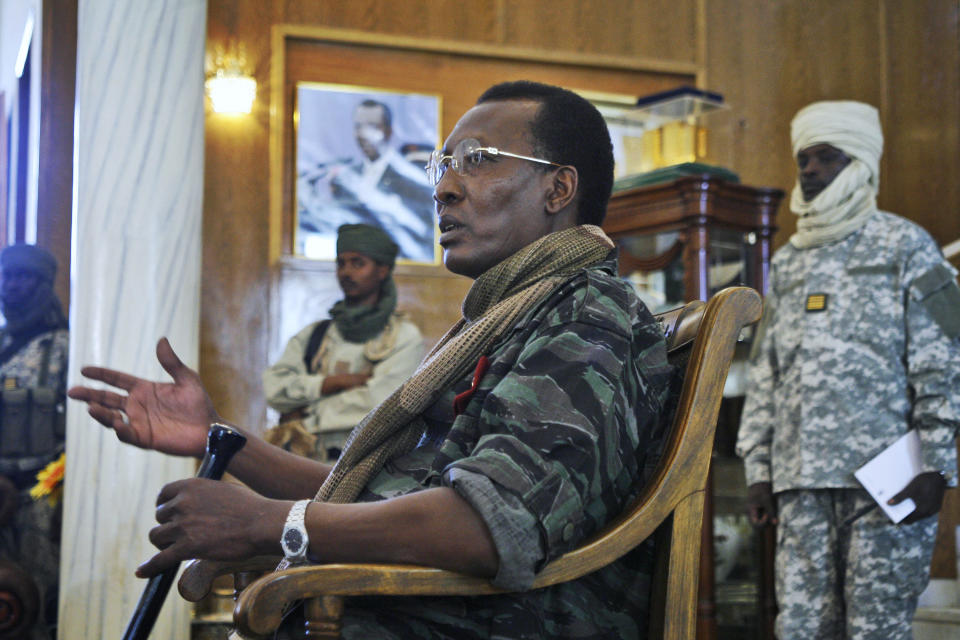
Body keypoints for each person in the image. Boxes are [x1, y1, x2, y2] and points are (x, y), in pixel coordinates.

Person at [68, 80, 673, 639]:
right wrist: (219, 437)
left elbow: (491, 524)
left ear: (558, 189)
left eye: (477, 160)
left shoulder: (589, 315)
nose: (443, 186)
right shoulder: (503, 321)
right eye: (443, 163)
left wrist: (272, 523)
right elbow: (378, 490)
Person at [735, 100, 960, 639]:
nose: (808, 170)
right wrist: (758, 471)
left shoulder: (908, 246)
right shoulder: (788, 261)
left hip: (888, 485)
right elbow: (767, 371)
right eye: (804, 159)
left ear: (859, 163)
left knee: (876, 630)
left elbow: (945, 361)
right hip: (801, 483)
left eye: (826, 158)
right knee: (801, 629)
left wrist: (941, 466)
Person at [262, 223, 424, 461]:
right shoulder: (315, 335)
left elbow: (380, 403)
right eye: (341, 263)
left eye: (358, 263)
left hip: (367, 470)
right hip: (303, 463)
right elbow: (274, 389)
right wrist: (330, 383)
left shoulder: (403, 337)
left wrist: (305, 414)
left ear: (382, 270)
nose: (346, 272)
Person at [0, 244, 69, 640]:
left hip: (42, 496)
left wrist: (50, 487)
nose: (13, 286)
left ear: (43, 284)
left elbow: (80, 432)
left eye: (24, 277)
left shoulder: (62, 347)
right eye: (8, 276)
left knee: (38, 601)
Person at [301, 99, 437, 262]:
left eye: (373, 126)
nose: (364, 135)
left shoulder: (411, 180)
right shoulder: (343, 180)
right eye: (359, 126)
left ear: (388, 131)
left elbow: (421, 237)